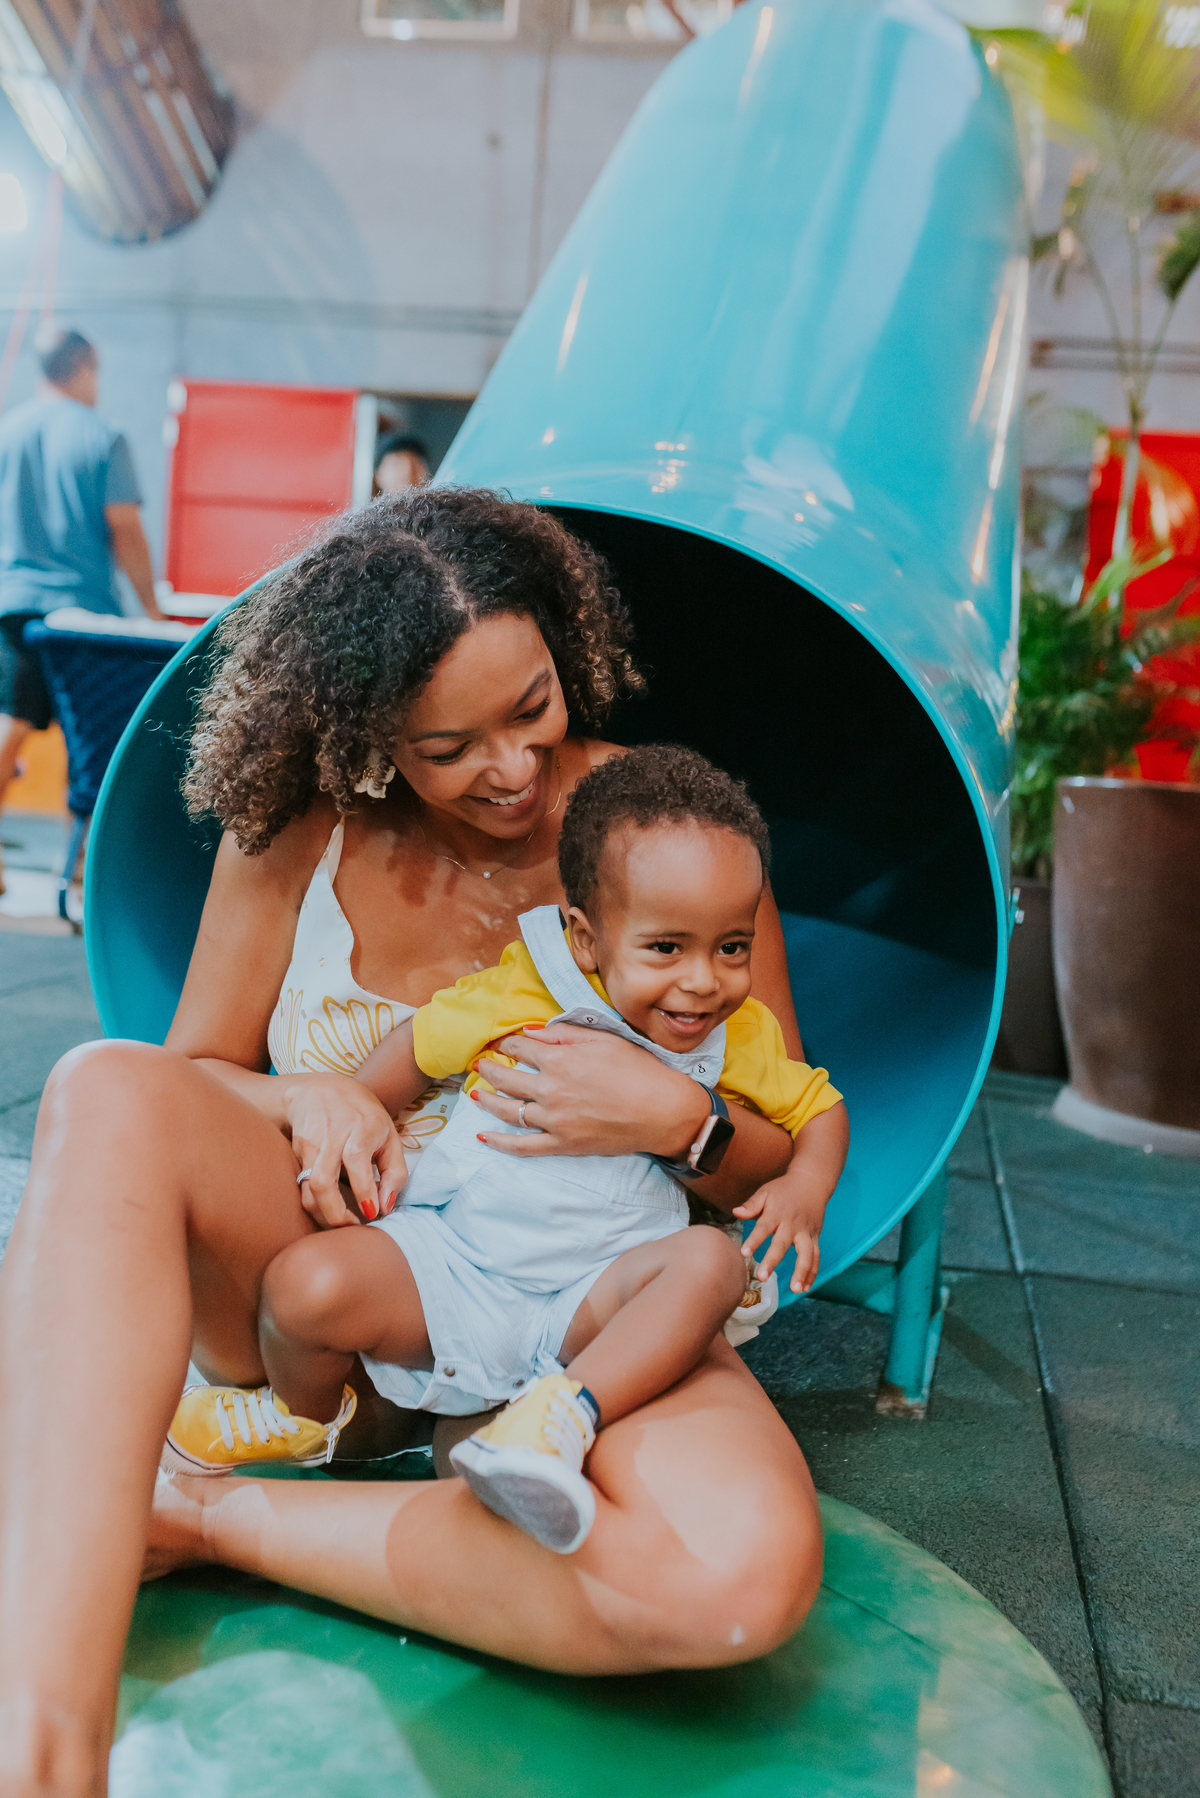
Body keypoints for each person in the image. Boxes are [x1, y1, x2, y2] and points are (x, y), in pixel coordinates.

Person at [0, 491, 824, 1794]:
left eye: (533, 709)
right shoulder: (299, 828)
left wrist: (678, 1117)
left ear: (568, 652)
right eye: (448, 745)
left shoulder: (664, 832)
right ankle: (42, 1753)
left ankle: (212, 1513)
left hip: (570, 1308)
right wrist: (307, 1097)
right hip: (317, 1298)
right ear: (367, 726)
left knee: (735, 1581)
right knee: (103, 1087)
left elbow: (777, 1146)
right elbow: (196, 1072)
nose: (511, 770)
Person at [165, 746, 849, 1558]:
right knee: (306, 1288)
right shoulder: (532, 985)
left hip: (591, 1295)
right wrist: (354, 1112)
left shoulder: (734, 1038)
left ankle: (559, 1415)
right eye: (666, 949)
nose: (702, 982)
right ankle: (307, 1419)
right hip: (459, 1256)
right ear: (587, 940)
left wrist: (806, 1186)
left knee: (708, 1263)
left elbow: (819, 1107)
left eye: (732, 949)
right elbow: (419, 1045)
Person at [0, 326, 164, 892]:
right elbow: (125, 528)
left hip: (14, 608)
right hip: (81, 620)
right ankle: (78, 869)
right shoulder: (103, 436)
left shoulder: (7, 432)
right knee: (94, 738)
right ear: (86, 367)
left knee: (7, 729)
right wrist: (151, 609)